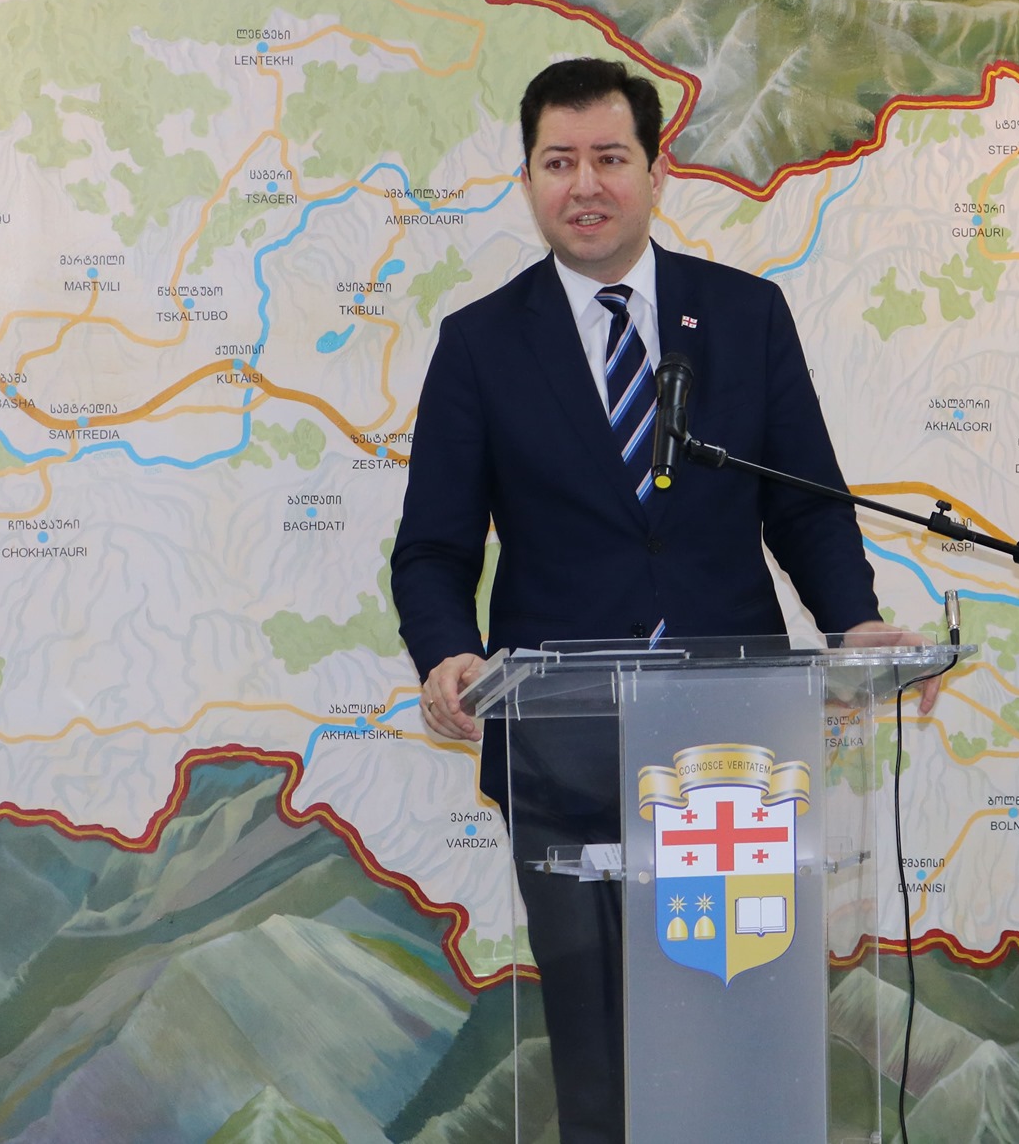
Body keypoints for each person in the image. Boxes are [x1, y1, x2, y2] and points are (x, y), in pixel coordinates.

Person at [390, 57, 930, 1141]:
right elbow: (433, 550)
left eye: (608, 157)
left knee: (736, 1032)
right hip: (564, 759)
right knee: (598, 1056)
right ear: (528, 178)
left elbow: (806, 507)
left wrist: (853, 621)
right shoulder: (481, 344)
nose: (584, 184)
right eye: (558, 162)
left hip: (735, 750)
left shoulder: (743, 317)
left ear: (654, 170)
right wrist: (448, 654)